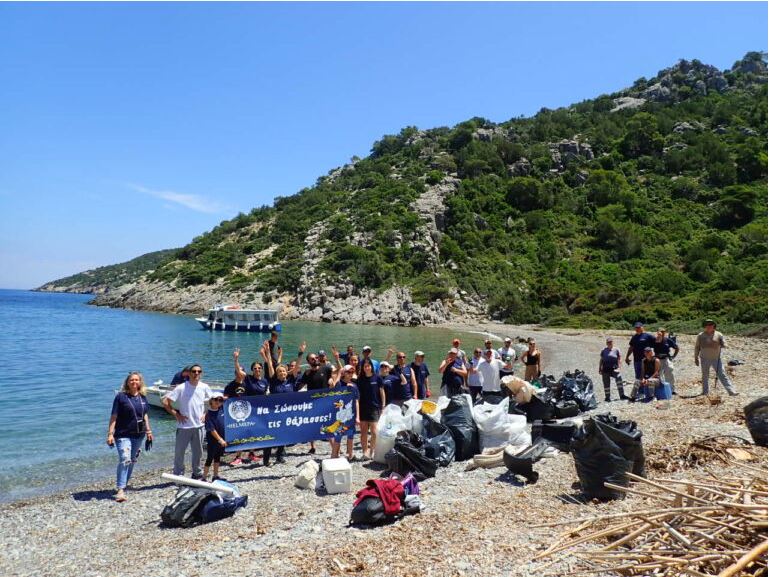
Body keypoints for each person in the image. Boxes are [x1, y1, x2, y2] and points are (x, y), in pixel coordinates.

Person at [107, 372, 153, 502]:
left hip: (139, 434)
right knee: (125, 459)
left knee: (132, 460)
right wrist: (110, 433)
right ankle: (120, 490)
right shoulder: (121, 397)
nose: (134, 382)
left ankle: (124, 484)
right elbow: (114, 416)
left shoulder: (143, 397)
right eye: (131, 380)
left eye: (136, 380)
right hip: (122, 434)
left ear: (140, 382)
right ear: (127, 382)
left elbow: (145, 415)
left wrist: (149, 431)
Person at [163, 363, 214, 479]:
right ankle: (178, 475)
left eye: (199, 371)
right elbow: (166, 402)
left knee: (198, 452)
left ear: (201, 373)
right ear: (189, 374)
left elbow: (213, 401)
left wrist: (206, 414)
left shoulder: (204, 387)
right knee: (179, 453)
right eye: (194, 371)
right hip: (184, 426)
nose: (196, 373)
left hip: (199, 426)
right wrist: (176, 414)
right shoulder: (181, 387)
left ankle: (196, 472)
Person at [297, 352, 332, 454]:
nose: (316, 359)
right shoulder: (307, 373)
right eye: (312, 359)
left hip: (325, 402)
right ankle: (312, 447)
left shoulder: (325, 369)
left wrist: (331, 379)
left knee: (328, 424)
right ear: (308, 362)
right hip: (312, 403)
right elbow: (299, 386)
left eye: (316, 357)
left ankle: (333, 446)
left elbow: (336, 373)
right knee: (312, 424)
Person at [694, 319, 738, 396]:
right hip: (704, 358)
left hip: (716, 359)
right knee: (705, 375)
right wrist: (696, 358)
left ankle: (731, 391)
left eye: (710, 325)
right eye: (707, 325)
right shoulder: (700, 335)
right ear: (705, 326)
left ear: (714, 326)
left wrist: (723, 344)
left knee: (722, 374)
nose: (709, 326)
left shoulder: (719, 334)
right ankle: (705, 392)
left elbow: (725, 344)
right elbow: (697, 347)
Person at [357, 358, 386, 460]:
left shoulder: (377, 378)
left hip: (374, 407)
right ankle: (365, 451)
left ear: (372, 367)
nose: (367, 368)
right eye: (365, 366)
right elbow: (357, 395)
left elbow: (382, 392)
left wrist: (383, 406)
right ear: (363, 368)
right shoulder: (360, 379)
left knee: (374, 432)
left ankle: (372, 451)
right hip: (363, 408)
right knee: (363, 432)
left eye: (369, 366)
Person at [330, 364, 360, 460]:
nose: (351, 374)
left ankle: (350, 455)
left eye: (352, 372)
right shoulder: (339, 384)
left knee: (351, 435)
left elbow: (356, 401)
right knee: (338, 435)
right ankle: (334, 455)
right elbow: (335, 397)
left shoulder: (354, 386)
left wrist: (357, 417)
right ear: (344, 373)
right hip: (340, 415)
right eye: (348, 372)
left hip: (351, 414)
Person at [203, 393, 227, 481]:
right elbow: (211, 429)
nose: (218, 402)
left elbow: (230, 400)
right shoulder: (208, 414)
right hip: (213, 440)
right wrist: (220, 439)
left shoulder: (222, 409)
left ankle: (215, 475)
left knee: (218, 457)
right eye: (216, 399)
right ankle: (204, 477)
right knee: (210, 458)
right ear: (211, 401)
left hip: (222, 440)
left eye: (220, 400)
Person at [599, 337, 626, 402]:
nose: (609, 343)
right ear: (606, 343)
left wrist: (619, 368)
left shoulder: (616, 350)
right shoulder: (603, 350)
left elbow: (619, 359)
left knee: (619, 380)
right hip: (605, 369)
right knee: (606, 383)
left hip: (615, 368)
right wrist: (600, 368)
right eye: (608, 342)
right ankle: (607, 397)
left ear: (613, 342)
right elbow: (601, 360)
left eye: (611, 342)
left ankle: (622, 395)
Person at [654, 328, 679, 394]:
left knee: (670, 374)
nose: (662, 333)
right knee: (658, 375)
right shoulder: (654, 340)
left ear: (665, 332)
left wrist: (673, 356)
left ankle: (672, 390)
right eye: (660, 332)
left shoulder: (668, 340)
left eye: (663, 332)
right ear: (658, 332)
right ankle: (660, 389)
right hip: (657, 359)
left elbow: (677, 348)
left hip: (666, 359)